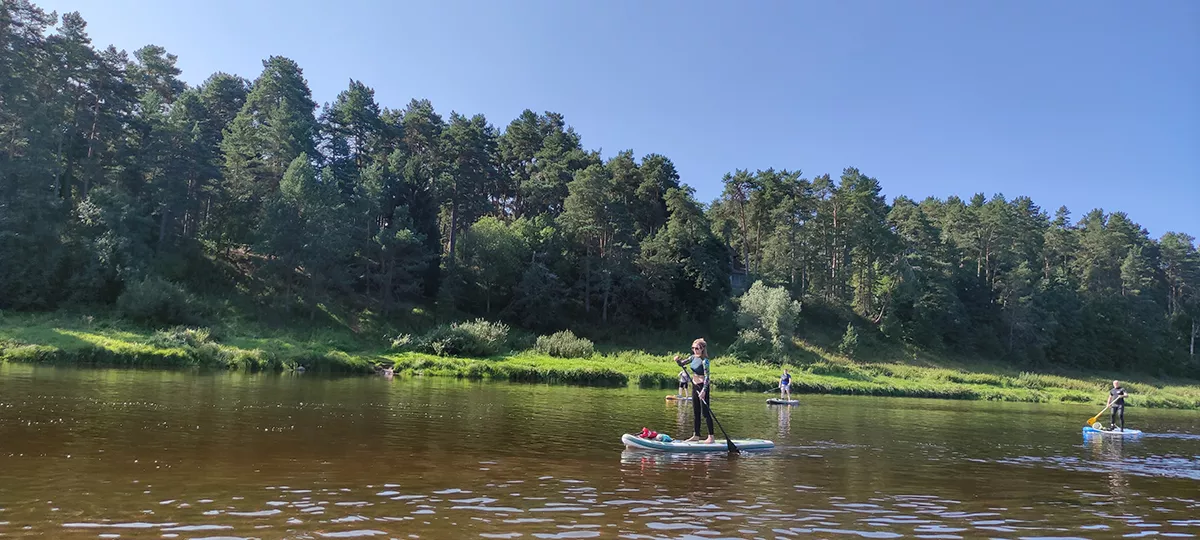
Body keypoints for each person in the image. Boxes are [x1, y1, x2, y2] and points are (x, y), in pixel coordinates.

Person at [674, 338, 714, 443]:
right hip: (694, 385)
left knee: (705, 413)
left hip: (702, 387)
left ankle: (711, 437)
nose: (695, 350)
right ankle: (696, 435)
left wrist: (704, 391)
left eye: (697, 348)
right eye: (693, 348)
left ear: (702, 349)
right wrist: (678, 360)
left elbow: (707, 377)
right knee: (696, 412)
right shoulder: (692, 357)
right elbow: (682, 364)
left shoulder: (705, 361)